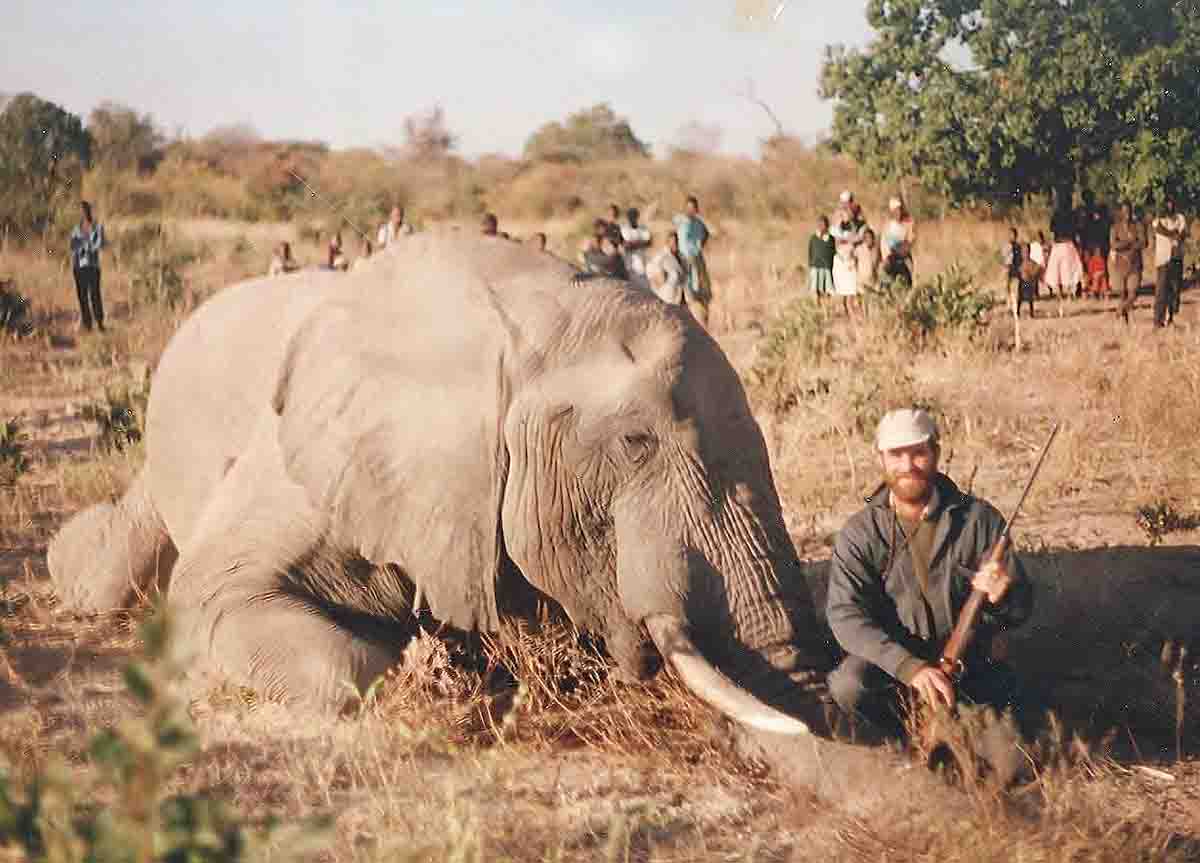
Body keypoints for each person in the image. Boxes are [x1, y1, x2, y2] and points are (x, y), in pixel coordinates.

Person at [826, 409, 1034, 740]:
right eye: (896, 454)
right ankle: (897, 747)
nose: (908, 465)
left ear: (936, 453)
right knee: (848, 685)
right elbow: (845, 616)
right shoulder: (859, 532)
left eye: (918, 452)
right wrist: (910, 668)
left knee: (1011, 748)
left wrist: (1003, 596)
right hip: (894, 669)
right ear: (880, 459)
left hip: (968, 666)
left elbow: (1021, 609)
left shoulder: (980, 520)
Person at [673, 195, 712, 328]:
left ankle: (702, 322)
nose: (691, 210)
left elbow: (706, 233)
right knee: (683, 290)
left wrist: (699, 245)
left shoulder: (699, 223)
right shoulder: (680, 220)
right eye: (689, 208)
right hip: (684, 258)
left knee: (701, 290)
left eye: (694, 208)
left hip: (696, 258)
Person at [69, 201, 106, 332]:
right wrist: (85, 245)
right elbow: (72, 246)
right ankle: (87, 324)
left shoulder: (97, 227)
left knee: (95, 294)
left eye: (84, 210)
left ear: (89, 211)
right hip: (78, 265)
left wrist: (84, 246)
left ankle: (100, 322)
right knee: (82, 295)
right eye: (80, 211)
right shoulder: (76, 228)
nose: (83, 213)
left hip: (93, 266)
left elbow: (101, 244)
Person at [1152, 197, 1187, 327]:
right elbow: (1160, 229)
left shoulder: (1180, 218)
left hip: (1176, 258)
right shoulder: (1158, 220)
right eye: (1167, 203)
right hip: (1163, 260)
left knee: (1175, 290)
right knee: (1161, 291)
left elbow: (1182, 233)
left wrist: (1177, 234)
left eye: (1172, 203)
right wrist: (1173, 233)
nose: (1170, 205)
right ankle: (1158, 320)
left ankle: (1171, 317)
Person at [831, 191, 867, 316]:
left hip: (854, 260)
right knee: (842, 292)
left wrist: (849, 239)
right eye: (844, 204)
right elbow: (835, 238)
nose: (846, 207)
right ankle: (845, 316)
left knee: (855, 292)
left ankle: (857, 316)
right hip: (841, 259)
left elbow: (861, 236)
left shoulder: (859, 220)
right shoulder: (837, 219)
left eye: (848, 203)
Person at [1109, 202, 1146, 324]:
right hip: (1120, 265)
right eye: (1124, 212)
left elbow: (1144, 243)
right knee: (1122, 294)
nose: (1127, 214)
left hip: (1135, 264)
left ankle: (1120, 310)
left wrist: (1125, 244)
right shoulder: (1115, 227)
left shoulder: (1138, 226)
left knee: (1133, 293)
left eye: (1129, 211)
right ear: (1120, 213)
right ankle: (1125, 321)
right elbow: (1114, 245)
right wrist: (1130, 242)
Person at [1045, 207, 1083, 313]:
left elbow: (1052, 231)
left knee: (1058, 274)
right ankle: (1066, 298)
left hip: (1060, 245)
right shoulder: (1070, 215)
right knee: (1067, 274)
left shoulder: (1059, 214)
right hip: (1065, 245)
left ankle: (1064, 299)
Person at [880, 196, 916, 284]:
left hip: (903, 257)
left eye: (899, 209)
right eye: (895, 210)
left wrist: (903, 249)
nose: (898, 212)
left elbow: (910, 240)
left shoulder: (909, 223)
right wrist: (886, 258)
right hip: (890, 258)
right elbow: (884, 244)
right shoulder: (887, 225)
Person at [649, 232, 687, 305]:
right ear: (667, 242)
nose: (676, 244)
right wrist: (657, 288)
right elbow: (650, 271)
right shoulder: (662, 256)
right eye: (674, 241)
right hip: (666, 298)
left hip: (680, 297)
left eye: (678, 241)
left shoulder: (682, 257)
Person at [620, 208, 652, 291]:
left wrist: (634, 243)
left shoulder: (643, 228)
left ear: (637, 217)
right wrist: (640, 243)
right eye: (630, 216)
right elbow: (626, 246)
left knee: (645, 289)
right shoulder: (624, 229)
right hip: (629, 265)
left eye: (634, 216)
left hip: (642, 264)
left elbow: (649, 242)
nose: (632, 218)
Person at [808, 215, 836, 300]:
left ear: (827, 226)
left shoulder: (830, 238)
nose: (821, 227)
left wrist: (830, 264)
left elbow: (832, 252)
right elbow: (810, 251)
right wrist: (811, 263)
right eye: (820, 224)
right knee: (815, 288)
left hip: (826, 266)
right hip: (815, 265)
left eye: (823, 224)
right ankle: (817, 305)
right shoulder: (813, 238)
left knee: (827, 288)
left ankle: (826, 306)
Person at [855, 228, 881, 318]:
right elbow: (854, 260)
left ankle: (872, 319)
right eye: (867, 238)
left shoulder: (876, 250)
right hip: (862, 278)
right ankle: (864, 318)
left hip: (873, 279)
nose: (869, 240)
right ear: (864, 239)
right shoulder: (859, 249)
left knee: (874, 300)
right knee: (863, 300)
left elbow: (879, 262)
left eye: (871, 238)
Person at [1001, 228, 1023, 311]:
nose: (1011, 237)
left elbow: (1020, 257)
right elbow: (1003, 257)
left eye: (1013, 235)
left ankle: (1014, 303)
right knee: (1007, 285)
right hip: (1007, 266)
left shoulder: (1018, 246)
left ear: (1016, 236)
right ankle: (1008, 302)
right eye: (1010, 235)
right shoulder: (1006, 245)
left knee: (1015, 286)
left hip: (1015, 267)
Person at [1016, 244, 1040, 319]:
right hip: (1022, 282)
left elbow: (1037, 269)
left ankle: (1031, 313)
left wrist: (1032, 274)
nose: (1025, 254)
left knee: (1030, 298)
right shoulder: (1020, 263)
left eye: (1026, 252)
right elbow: (1018, 271)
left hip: (1028, 282)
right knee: (1020, 298)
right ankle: (1018, 312)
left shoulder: (1031, 262)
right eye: (1023, 252)